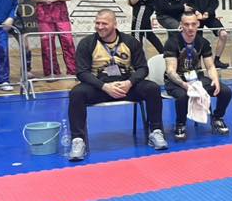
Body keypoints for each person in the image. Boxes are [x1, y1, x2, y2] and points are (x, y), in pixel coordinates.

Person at [67, 9, 169, 161]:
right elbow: (82, 72)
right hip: (100, 87)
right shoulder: (87, 43)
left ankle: (156, 131)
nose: (100, 27)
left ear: (115, 24)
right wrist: (104, 87)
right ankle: (78, 140)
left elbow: (143, 68)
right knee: (76, 93)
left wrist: (129, 83)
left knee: (152, 88)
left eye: (104, 23)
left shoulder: (130, 42)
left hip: (126, 86)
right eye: (97, 23)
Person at [163, 11, 232, 138]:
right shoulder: (172, 42)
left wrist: (215, 80)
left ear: (198, 24)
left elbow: (210, 66)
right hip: (175, 81)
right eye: (187, 24)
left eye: (193, 24)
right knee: (183, 96)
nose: (190, 28)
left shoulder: (203, 42)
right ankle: (180, 124)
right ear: (181, 25)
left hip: (196, 79)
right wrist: (184, 85)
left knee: (225, 91)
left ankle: (217, 118)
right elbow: (171, 71)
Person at [29, 0, 77, 78]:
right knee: (47, 44)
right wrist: (44, 0)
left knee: (68, 41)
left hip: (62, 16)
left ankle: (73, 70)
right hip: (44, 17)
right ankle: (51, 72)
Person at [186, 0, 230, 68]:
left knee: (223, 34)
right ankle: (197, 65)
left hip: (209, 17)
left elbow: (214, 2)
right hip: (196, 17)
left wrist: (207, 12)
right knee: (196, 40)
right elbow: (189, 1)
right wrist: (196, 12)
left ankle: (217, 60)